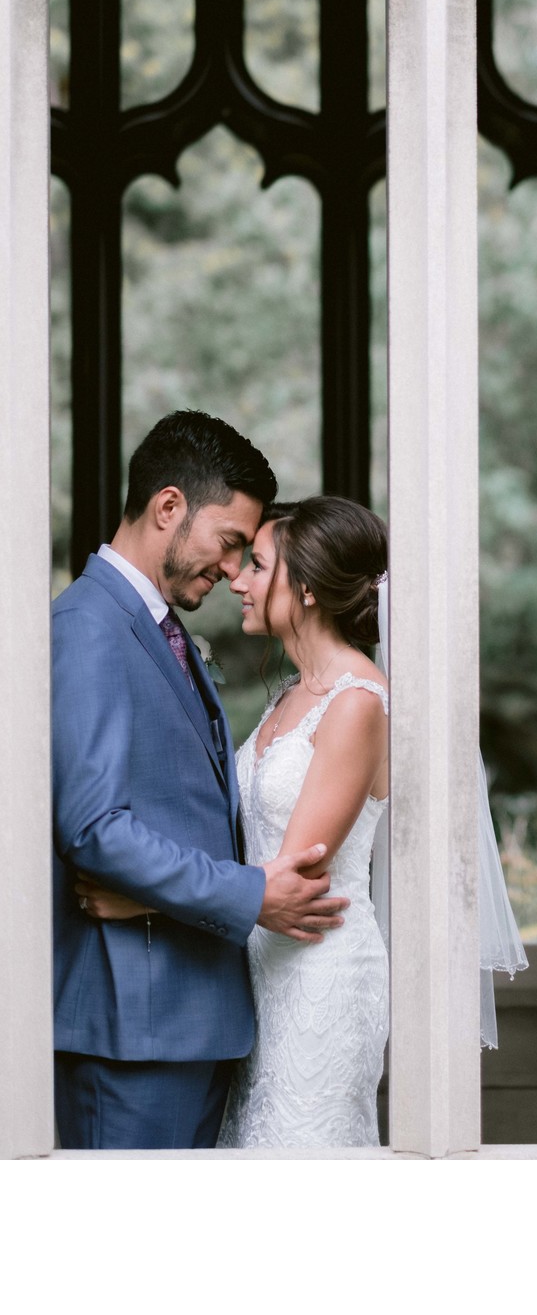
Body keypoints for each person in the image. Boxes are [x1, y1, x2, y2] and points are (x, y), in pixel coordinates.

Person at [52, 412, 349, 1151]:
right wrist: (247, 894)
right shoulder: (87, 626)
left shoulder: (162, 629)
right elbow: (91, 826)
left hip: (195, 1019)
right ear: (168, 507)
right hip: (131, 1030)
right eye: (228, 543)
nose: (230, 568)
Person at [216, 497, 390, 1148]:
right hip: (262, 969)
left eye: (257, 565)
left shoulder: (355, 705)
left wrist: (139, 902)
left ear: (308, 588)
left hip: (320, 977)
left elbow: (295, 874)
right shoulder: (291, 693)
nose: (237, 579)